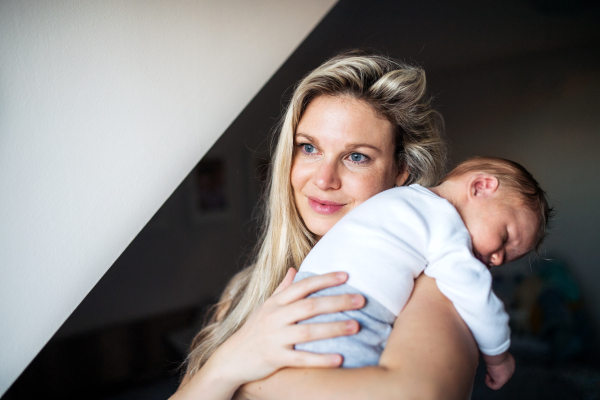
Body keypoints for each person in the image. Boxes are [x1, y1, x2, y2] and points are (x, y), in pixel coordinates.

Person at [171, 51, 480, 400]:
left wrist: (238, 372)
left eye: (356, 156)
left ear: (401, 172)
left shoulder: (438, 285)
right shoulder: (244, 289)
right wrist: (228, 361)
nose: (324, 179)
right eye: (309, 148)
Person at [295, 156, 552, 390]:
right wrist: (499, 356)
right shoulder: (445, 223)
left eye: (506, 258)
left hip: (306, 305)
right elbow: (476, 296)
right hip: (343, 315)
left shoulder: (400, 199)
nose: (497, 258)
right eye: (505, 237)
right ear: (481, 186)